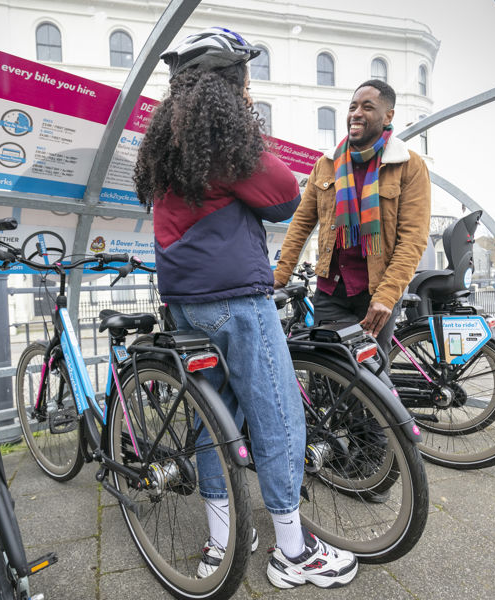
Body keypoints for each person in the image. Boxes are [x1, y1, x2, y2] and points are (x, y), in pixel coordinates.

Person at [135, 27, 358, 590]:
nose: (249, 89)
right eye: (245, 80)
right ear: (230, 83)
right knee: (278, 413)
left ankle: (223, 536)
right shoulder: (223, 135)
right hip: (235, 299)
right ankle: (292, 549)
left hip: (185, 303)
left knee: (213, 418)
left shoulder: (168, 140)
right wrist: (248, 128)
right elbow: (284, 195)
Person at [274, 79, 431, 358]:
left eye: (367, 107)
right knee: (331, 374)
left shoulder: (409, 165)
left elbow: (412, 239)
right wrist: (280, 276)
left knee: (370, 378)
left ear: (388, 116)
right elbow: (301, 224)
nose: (355, 114)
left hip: (376, 294)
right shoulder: (327, 163)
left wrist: (386, 297)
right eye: (352, 107)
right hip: (331, 291)